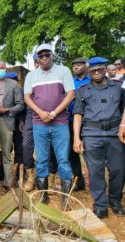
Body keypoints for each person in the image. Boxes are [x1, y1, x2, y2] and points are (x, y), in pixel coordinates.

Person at [73, 57, 125, 219]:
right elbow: (78, 115)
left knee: (118, 169)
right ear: (88, 72)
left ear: (105, 70)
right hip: (91, 134)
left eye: (100, 69)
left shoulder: (118, 88)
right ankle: (100, 205)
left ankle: (115, 201)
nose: (97, 73)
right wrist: (76, 138)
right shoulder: (83, 90)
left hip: (115, 134)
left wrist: (123, 127)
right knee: (95, 171)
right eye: (93, 70)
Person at [24, 44, 75, 208]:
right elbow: (27, 97)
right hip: (39, 124)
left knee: (63, 160)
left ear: (52, 55)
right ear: (37, 58)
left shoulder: (63, 71)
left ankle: (65, 199)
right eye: (41, 55)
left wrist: (53, 113)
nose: (44, 58)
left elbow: (71, 95)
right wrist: (40, 112)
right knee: (41, 160)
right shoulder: (31, 76)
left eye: (47, 54)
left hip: (60, 122)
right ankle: (43, 196)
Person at [0, 61, 24, 191]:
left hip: (6, 120)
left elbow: (20, 104)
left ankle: (8, 182)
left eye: (2, 68)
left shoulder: (14, 85)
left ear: (5, 69)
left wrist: (6, 110)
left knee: (6, 153)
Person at [22, 54, 58, 192]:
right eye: (36, 63)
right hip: (32, 115)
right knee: (26, 146)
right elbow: (25, 98)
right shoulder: (30, 77)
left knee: (50, 148)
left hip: (52, 114)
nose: (38, 65)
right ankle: (31, 177)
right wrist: (22, 120)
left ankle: (50, 179)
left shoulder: (54, 77)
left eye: (40, 62)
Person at [67, 57, 91, 191]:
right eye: (74, 65)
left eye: (79, 65)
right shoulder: (70, 82)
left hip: (88, 122)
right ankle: (78, 180)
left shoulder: (92, 80)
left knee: (90, 152)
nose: (76, 67)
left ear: (86, 66)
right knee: (72, 152)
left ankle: (94, 182)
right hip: (71, 120)